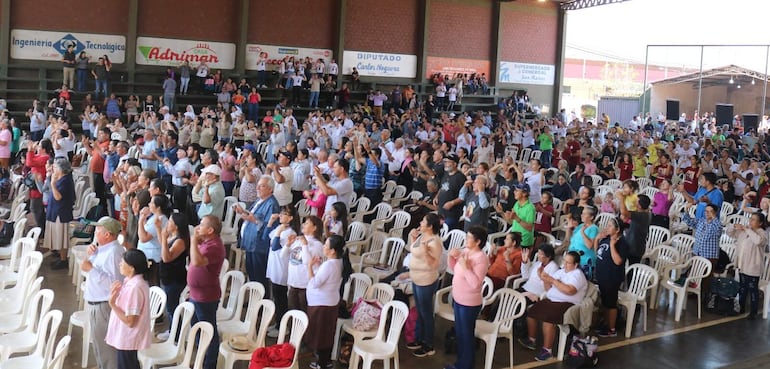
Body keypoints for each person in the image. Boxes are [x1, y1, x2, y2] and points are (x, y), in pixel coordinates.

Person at [519, 251, 588, 361]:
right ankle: (531, 339)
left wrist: (552, 280)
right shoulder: (561, 272)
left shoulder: (577, 274)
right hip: (552, 299)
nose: (565, 264)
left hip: (567, 303)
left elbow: (570, 290)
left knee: (548, 319)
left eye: (568, 263)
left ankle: (548, 350)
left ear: (575, 265)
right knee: (532, 311)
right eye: (564, 261)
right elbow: (548, 288)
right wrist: (544, 279)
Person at [81, 217, 126, 369]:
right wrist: (91, 255)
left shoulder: (114, 253)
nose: (95, 233)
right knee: (100, 348)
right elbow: (89, 267)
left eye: (98, 231)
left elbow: (116, 283)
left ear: (107, 235)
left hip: (104, 306)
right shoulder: (103, 249)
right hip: (97, 304)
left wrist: (91, 269)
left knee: (108, 352)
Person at [305, 235, 352, 369]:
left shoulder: (329, 265)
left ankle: (322, 363)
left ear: (332, 251)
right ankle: (325, 362)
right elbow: (328, 277)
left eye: (326, 245)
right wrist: (319, 265)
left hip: (322, 305)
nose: (324, 247)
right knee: (325, 333)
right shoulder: (338, 262)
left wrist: (310, 266)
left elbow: (315, 283)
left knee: (320, 335)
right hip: (328, 303)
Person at [447, 225, 490, 369]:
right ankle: (460, 363)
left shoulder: (481, 258)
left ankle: (465, 365)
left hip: (469, 303)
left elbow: (475, 283)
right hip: (458, 298)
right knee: (459, 334)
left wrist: (466, 267)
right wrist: (451, 256)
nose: (466, 240)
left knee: (466, 336)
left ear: (478, 242)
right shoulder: (466, 251)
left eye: (469, 238)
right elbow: (455, 269)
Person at [188, 215, 226, 369]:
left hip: (206, 297)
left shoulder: (215, 246)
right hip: (196, 294)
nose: (198, 227)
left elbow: (197, 261)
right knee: (197, 327)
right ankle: (201, 357)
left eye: (201, 224)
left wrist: (193, 241)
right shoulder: (206, 242)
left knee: (208, 331)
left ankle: (209, 364)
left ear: (210, 230)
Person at [404, 213, 443, 358]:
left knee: (426, 313)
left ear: (430, 226)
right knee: (419, 311)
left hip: (426, 281)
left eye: (423, 221)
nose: (420, 223)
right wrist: (413, 238)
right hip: (416, 279)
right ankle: (418, 338)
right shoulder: (422, 236)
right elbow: (413, 250)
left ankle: (428, 344)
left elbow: (433, 264)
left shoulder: (435, 242)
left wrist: (426, 252)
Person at [106, 249, 152, 369]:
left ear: (132, 268)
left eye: (122, 262)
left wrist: (112, 304)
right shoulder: (131, 282)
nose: (119, 264)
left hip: (128, 336)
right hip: (126, 337)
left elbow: (130, 321)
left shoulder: (135, 288)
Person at [235, 175, 280, 285]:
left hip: (259, 246)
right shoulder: (259, 200)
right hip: (250, 243)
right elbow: (252, 215)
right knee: (251, 273)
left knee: (259, 277)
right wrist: (242, 212)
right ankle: (253, 299)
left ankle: (261, 300)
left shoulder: (272, 204)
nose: (257, 188)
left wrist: (254, 220)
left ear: (270, 189)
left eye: (262, 186)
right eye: (258, 186)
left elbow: (271, 227)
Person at [266, 205, 300, 338]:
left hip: (281, 268)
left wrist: (279, 232)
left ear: (290, 218)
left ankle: (282, 326)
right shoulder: (280, 228)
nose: (280, 215)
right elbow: (266, 237)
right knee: (276, 296)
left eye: (284, 214)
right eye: (281, 213)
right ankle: (277, 323)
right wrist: (270, 223)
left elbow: (275, 247)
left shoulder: (290, 232)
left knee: (281, 299)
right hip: (274, 265)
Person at [593, 217, 629, 337]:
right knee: (604, 301)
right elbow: (597, 253)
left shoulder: (622, 242)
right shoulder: (606, 238)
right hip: (602, 275)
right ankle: (605, 323)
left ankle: (611, 329)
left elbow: (618, 261)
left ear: (617, 229)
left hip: (612, 277)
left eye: (610, 226)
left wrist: (613, 245)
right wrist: (597, 240)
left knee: (611, 303)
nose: (606, 228)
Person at [727, 212, 768, 319]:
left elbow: (758, 241)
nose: (751, 221)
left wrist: (747, 229)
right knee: (742, 288)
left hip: (753, 267)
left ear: (760, 223)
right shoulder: (744, 232)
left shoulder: (762, 233)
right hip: (742, 265)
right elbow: (730, 233)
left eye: (754, 220)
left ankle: (753, 311)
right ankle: (741, 307)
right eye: (750, 219)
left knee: (753, 289)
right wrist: (734, 226)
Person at [155, 213, 189, 340]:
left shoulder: (180, 241)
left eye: (170, 222)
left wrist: (164, 238)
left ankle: (176, 334)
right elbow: (163, 245)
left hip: (175, 278)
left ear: (176, 226)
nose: (167, 224)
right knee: (170, 306)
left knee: (172, 307)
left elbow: (166, 257)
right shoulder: (173, 237)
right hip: (168, 276)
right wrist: (159, 230)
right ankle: (173, 330)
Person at [285, 216, 324, 313]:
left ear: (314, 228)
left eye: (307, 223)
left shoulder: (317, 245)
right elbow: (286, 256)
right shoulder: (298, 240)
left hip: (305, 285)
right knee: (292, 311)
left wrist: (305, 245)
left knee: (303, 312)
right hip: (294, 281)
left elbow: (307, 262)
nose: (303, 225)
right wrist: (288, 244)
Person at [682, 203, 722, 293]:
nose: (707, 213)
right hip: (697, 253)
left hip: (709, 256)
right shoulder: (701, 221)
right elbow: (689, 221)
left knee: (705, 279)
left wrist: (714, 217)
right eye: (706, 211)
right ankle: (693, 293)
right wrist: (686, 210)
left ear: (715, 213)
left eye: (710, 211)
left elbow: (718, 230)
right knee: (695, 275)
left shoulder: (717, 224)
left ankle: (704, 298)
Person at [46, 158, 77, 270]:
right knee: (59, 236)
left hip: (61, 213)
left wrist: (53, 184)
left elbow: (58, 197)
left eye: (55, 167)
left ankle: (63, 260)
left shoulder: (65, 180)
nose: (53, 169)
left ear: (61, 169)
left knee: (62, 238)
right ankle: (61, 256)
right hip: (57, 211)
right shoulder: (63, 177)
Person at [137, 195, 171, 285]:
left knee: (152, 283)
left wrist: (140, 221)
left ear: (158, 207)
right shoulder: (155, 217)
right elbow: (145, 229)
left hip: (153, 258)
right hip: (149, 255)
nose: (149, 204)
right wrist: (143, 218)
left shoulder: (159, 219)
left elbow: (143, 238)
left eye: (151, 203)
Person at [561, 206, 599, 278]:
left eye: (585, 214)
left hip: (584, 260)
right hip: (572, 257)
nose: (582, 215)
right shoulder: (581, 225)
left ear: (591, 217)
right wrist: (569, 228)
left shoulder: (594, 228)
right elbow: (568, 240)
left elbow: (590, 245)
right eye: (582, 213)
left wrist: (582, 232)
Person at [503, 183, 536, 248]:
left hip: (524, 242)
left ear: (524, 194)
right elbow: (512, 222)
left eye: (517, 190)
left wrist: (517, 218)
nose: (514, 192)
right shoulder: (517, 203)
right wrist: (502, 213)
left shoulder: (530, 208)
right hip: (515, 240)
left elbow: (530, 228)